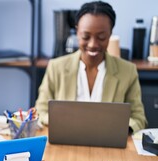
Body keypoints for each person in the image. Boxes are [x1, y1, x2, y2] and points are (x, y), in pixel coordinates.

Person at [35, 1, 147, 133]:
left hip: (109, 145)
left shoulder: (127, 71)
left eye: (101, 37)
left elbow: (139, 119)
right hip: (66, 143)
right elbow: (39, 112)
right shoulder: (56, 67)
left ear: (110, 34)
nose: (93, 44)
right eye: (86, 36)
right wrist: (62, 122)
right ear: (77, 32)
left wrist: (120, 128)